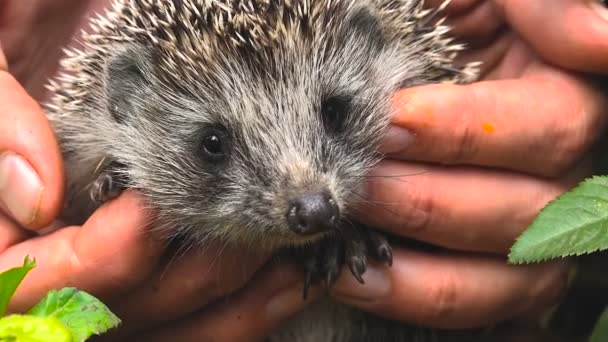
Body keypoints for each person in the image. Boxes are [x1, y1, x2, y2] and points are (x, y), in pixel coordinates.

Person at [0, 0, 606, 340]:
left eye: (335, 114)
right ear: (124, 107)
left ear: (376, 54)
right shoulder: (99, 155)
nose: (311, 201)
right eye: (213, 144)